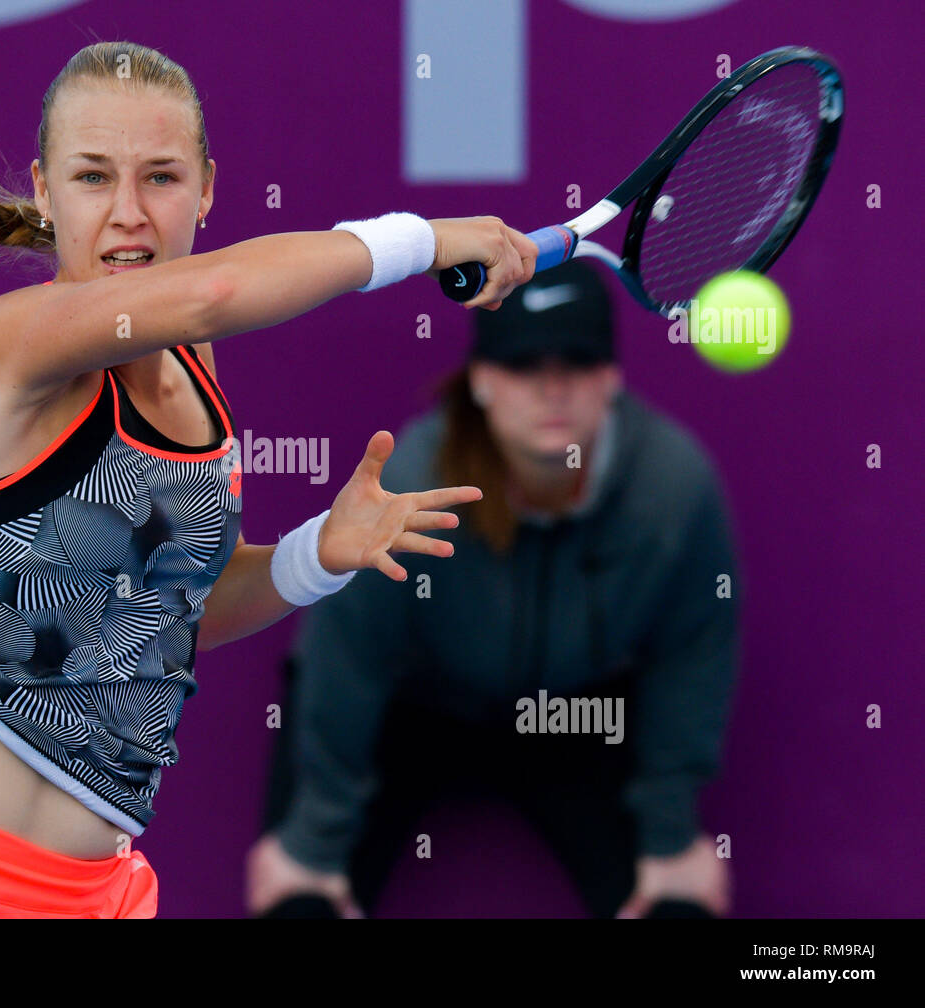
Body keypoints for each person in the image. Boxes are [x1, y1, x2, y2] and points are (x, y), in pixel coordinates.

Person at [0, 35, 537, 918]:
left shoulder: (193, 369)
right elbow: (217, 291)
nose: (128, 212)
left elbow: (167, 613)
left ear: (208, 189)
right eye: (91, 177)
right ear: (43, 189)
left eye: (160, 176)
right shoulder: (10, 339)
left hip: (94, 894)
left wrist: (314, 556)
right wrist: (423, 240)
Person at [246, 259, 740, 919]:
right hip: (413, 710)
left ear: (612, 378)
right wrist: (312, 842)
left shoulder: (674, 488)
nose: (553, 388)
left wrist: (670, 832)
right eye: (525, 365)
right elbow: (346, 658)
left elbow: (693, 655)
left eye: (578, 362)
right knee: (298, 905)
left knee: (679, 911)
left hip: (573, 716)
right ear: (481, 381)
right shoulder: (414, 485)